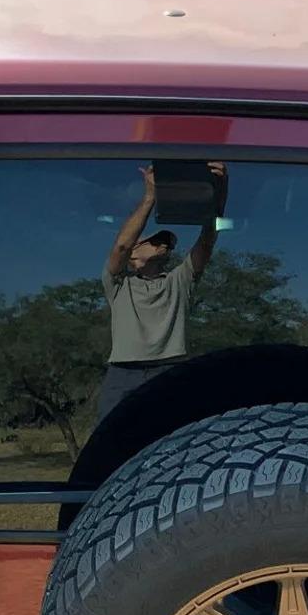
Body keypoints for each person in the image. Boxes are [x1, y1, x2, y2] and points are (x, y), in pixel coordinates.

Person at [95, 164, 221, 422]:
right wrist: (150, 196)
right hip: (123, 371)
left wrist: (219, 191)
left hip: (170, 369)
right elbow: (120, 245)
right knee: (108, 439)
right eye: (155, 241)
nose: (163, 244)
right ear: (134, 253)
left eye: (166, 243)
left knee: (176, 437)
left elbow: (207, 240)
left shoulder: (179, 280)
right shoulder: (118, 284)